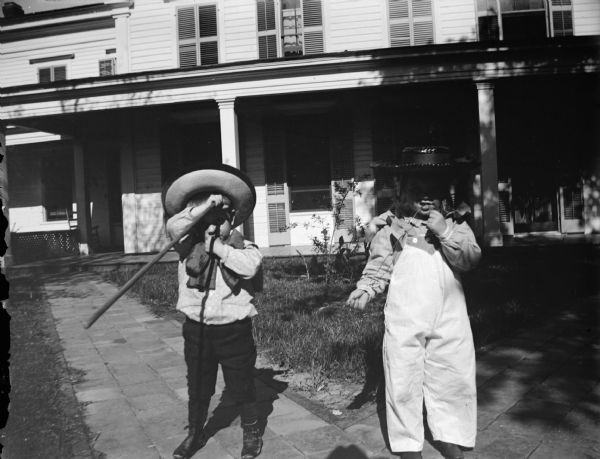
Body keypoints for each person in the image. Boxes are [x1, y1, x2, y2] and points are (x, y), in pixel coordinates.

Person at [346, 147, 481, 459]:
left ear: (444, 195)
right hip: (406, 312)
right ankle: (408, 442)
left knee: (453, 369)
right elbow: (380, 263)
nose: (425, 199)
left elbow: (471, 258)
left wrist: (444, 232)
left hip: (449, 312)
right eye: (417, 191)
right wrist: (367, 289)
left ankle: (449, 433)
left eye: (433, 193)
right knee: (403, 372)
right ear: (403, 192)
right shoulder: (395, 226)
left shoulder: (456, 223)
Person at [163, 165, 263, 459]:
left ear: (232, 220)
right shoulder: (185, 245)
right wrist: (207, 204)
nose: (212, 225)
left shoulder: (244, 247)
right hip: (198, 327)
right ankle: (195, 432)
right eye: (207, 219)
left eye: (220, 220)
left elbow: (249, 267)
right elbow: (172, 227)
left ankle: (252, 431)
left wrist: (219, 249)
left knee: (241, 382)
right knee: (198, 383)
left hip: (234, 328)